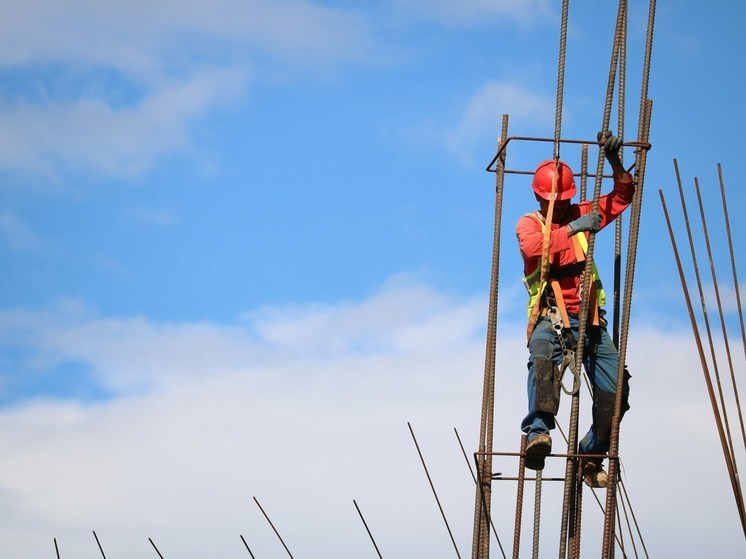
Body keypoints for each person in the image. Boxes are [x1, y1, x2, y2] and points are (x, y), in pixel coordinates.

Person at [515, 133, 633, 487]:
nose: (564, 206)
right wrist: (571, 227)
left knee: (616, 398)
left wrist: (615, 164)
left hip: (591, 322)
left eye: (567, 200)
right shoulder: (529, 224)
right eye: (557, 201)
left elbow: (621, 197)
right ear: (540, 197)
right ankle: (538, 432)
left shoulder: (580, 214)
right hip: (551, 316)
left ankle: (590, 454)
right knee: (541, 358)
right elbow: (534, 248)